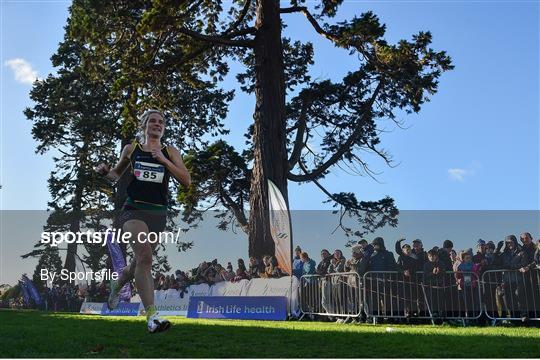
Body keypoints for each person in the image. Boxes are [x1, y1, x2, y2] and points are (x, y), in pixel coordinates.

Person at [95, 109, 191, 333]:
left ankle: (117, 284)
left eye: (161, 122)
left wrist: (164, 161)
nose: (157, 124)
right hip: (133, 209)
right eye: (153, 121)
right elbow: (116, 175)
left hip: (158, 212)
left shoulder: (170, 151)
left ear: (163, 128)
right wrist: (105, 171)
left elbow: (186, 181)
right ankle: (152, 317)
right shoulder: (132, 149)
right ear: (145, 126)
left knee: (139, 263)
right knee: (145, 256)